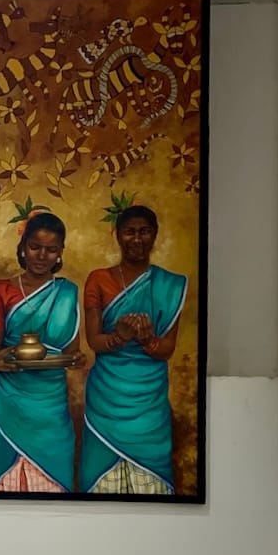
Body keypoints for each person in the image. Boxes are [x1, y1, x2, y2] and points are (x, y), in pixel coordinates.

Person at [79, 205, 188, 495]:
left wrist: (147, 339)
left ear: (155, 235)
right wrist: (120, 336)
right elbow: (95, 341)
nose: (137, 239)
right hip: (106, 400)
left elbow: (166, 349)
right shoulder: (98, 280)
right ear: (117, 236)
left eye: (144, 232)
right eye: (129, 232)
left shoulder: (170, 284)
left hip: (148, 406)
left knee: (150, 485)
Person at [0, 212, 83, 492]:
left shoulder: (68, 292)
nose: (42, 255)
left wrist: (77, 359)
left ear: (60, 253)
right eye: (35, 247)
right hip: (8, 401)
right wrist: (0, 359)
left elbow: (72, 352)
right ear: (23, 247)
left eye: (51, 250)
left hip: (51, 406)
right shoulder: (2, 290)